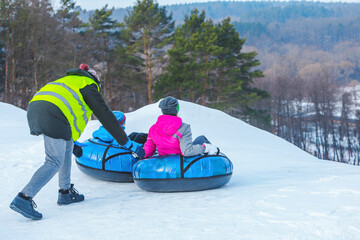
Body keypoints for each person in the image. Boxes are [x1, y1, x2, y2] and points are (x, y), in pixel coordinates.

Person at [9, 64, 144, 220]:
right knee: (54, 161)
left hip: (36, 108)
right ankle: (24, 197)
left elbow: (68, 111)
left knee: (66, 147)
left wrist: (74, 143)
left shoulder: (68, 81)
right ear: (95, 80)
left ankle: (65, 193)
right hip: (53, 112)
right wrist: (128, 144)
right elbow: (107, 118)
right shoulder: (88, 85)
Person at [143, 96, 219, 158]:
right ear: (177, 109)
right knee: (201, 139)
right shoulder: (184, 127)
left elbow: (148, 151)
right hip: (182, 165)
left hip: (164, 163)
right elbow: (187, 151)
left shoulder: (153, 129)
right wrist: (205, 147)